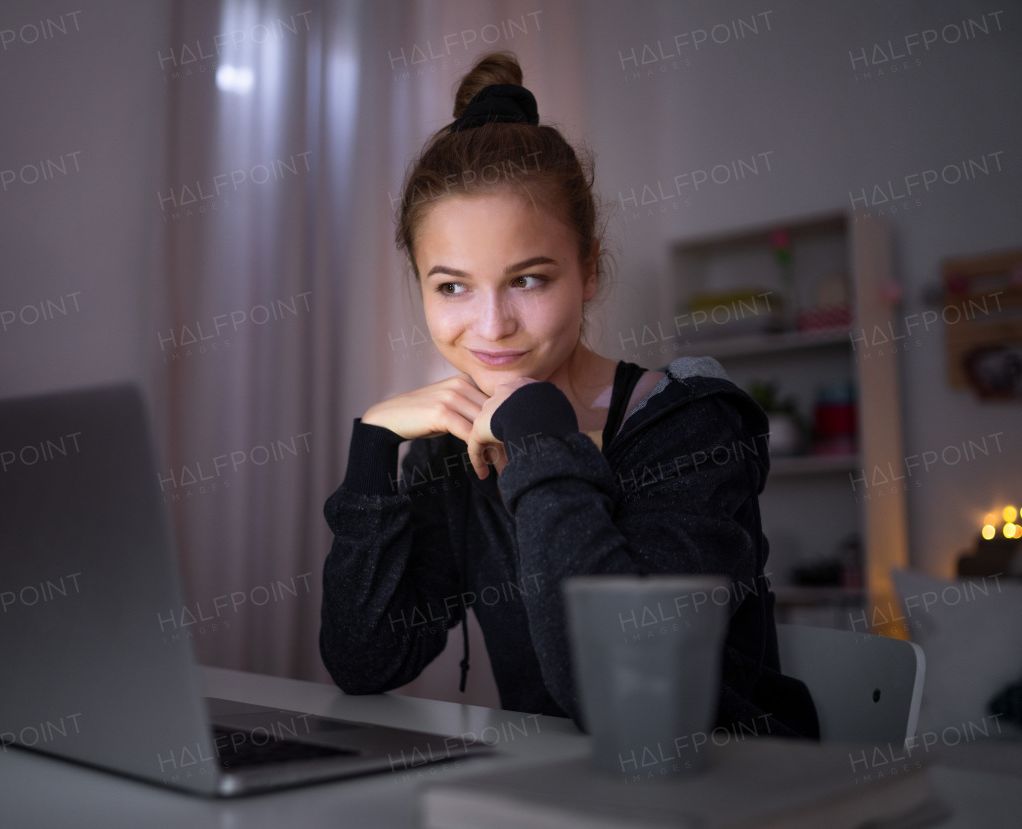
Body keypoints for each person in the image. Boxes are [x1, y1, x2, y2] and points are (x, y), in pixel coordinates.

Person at [319, 52, 818, 739]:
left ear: (588, 269)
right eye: (452, 286)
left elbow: (624, 698)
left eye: (528, 279)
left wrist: (535, 426)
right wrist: (374, 445)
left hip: (730, 791)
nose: (492, 328)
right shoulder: (456, 446)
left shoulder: (694, 425)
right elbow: (363, 658)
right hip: (559, 794)